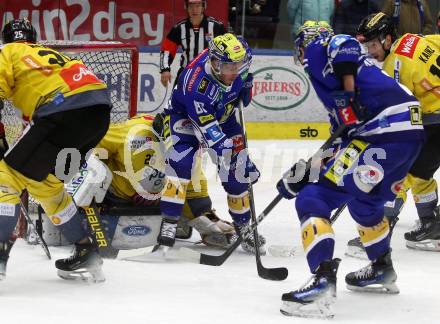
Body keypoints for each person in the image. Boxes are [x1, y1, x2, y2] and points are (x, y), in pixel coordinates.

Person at [276, 21, 424, 318]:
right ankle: (382, 268)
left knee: (314, 199)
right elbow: (340, 139)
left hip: (382, 135)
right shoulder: (341, 84)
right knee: (364, 203)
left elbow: (343, 46)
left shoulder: (325, 47)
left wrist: (347, 93)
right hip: (406, 136)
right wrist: (303, 172)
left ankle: (321, 282)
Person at [0, 18, 112, 282]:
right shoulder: (50, 55)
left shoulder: (7, 52)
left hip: (63, 111)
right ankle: (87, 250)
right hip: (98, 115)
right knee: (47, 185)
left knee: (7, 176)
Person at [44, 114, 236, 253]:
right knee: (92, 166)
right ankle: (63, 220)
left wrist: (205, 219)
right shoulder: (132, 133)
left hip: (151, 201)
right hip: (112, 194)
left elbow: (194, 193)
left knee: (180, 185)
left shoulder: (190, 154)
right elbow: (86, 146)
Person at [158, 33, 265, 255]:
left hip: (223, 116)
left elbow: (241, 93)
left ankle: (244, 227)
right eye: (227, 67)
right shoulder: (196, 85)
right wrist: (235, 155)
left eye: (238, 66)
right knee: (181, 162)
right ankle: (170, 220)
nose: (233, 72)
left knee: (236, 176)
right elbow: (209, 133)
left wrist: (246, 88)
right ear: (215, 63)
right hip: (185, 116)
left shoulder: (238, 61)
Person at [344, 13, 440, 257]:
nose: (369, 51)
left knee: (398, 175)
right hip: (434, 119)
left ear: (387, 40)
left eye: (373, 45)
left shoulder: (394, 65)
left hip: (436, 121)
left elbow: (400, 110)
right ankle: (431, 224)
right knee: (420, 174)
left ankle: (380, 230)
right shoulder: (414, 39)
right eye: (365, 46)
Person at [159, 0, 226, 88]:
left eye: (198, 6)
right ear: (186, 7)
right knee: (177, 101)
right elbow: (166, 51)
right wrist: (165, 70)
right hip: (186, 73)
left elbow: (227, 50)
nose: (194, 10)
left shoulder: (217, 27)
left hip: (210, 75)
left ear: (203, 7)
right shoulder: (179, 28)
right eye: (191, 6)